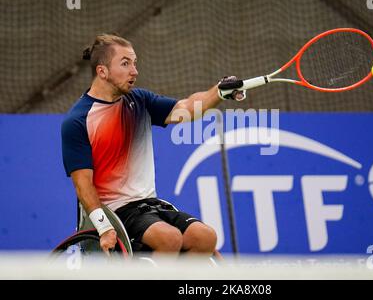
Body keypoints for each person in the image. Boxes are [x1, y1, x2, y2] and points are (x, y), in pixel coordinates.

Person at [61, 33, 244, 257]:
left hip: (150, 206)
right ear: (102, 71)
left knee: (205, 238)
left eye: (135, 63)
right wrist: (103, 227)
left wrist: (218, 92)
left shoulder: (140, 101)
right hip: (115, 212)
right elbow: (83, 186)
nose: (134, 72)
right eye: (125, 63)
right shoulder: (78, 120)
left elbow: (186, 108)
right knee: (170, 239)